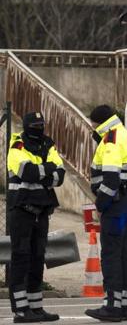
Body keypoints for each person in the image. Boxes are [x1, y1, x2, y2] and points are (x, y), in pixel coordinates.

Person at [84, 105, 127, 323]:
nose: (92, 127)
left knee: (110, 253)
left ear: (99, 122)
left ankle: (112, 306)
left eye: (93, 123)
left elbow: (111, 180)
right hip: (126, 202)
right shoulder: (126, 135)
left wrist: (100, 204)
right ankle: (123, 305)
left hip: (115, 205)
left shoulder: (111, 140)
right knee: (119, 253)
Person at [6, 112, 64, 323]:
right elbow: (25, 172)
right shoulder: (17, 146)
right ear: (27, 126)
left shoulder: (48, 145)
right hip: (21, 210)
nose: (39, 129)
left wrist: (44, 171)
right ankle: (21, 310)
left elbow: (60, 175)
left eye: (42, 125)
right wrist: (47, 170)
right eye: (35, 125)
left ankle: (36, 307)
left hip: (42, 211)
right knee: (21, 258)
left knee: (37, 259)